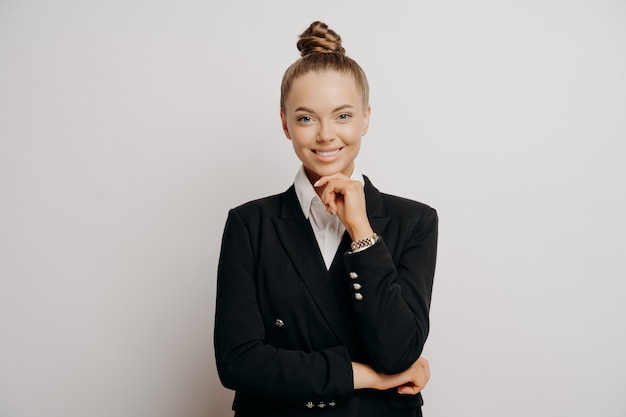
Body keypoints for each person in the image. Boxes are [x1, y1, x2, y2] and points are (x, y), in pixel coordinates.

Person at [214, 21, 438, 417]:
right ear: (285, 124)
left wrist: (362, 231)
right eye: (305, 118)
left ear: (365, 119)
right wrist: (366, 377)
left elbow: (400, 351)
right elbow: (238, 361)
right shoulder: (250, 224)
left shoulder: (414, 221)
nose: (325, 135)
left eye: (342, 115)